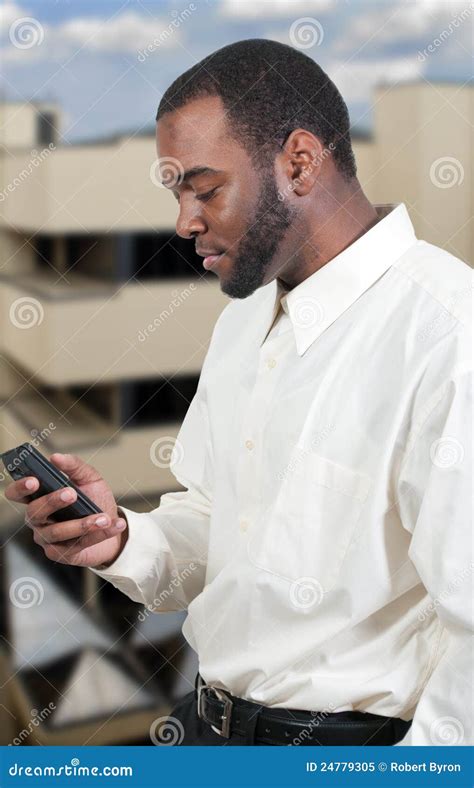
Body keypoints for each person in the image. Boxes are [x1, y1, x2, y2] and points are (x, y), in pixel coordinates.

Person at [5, 39, 472, 747]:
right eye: (176, 194)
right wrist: (119, 537)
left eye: (205, 188)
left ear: (300, 162)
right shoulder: (243, 324)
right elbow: (216, 524)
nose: (184, 222)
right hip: (208, 730)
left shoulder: (447, 334)